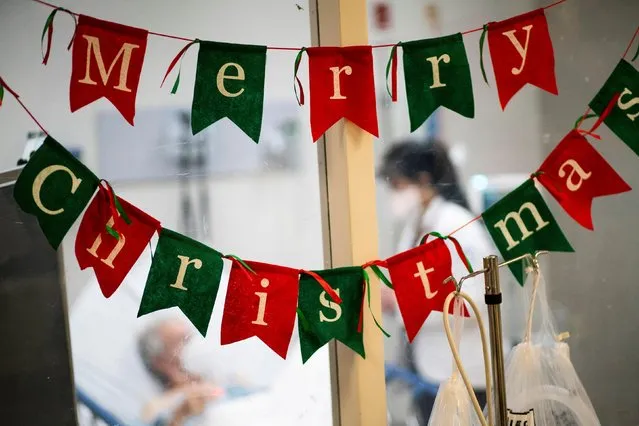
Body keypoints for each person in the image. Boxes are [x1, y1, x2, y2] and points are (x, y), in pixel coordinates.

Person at [378, 138, 506, 423]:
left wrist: (399, 302)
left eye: (398, 186)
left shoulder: (456, 227)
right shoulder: (416, 224)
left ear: (423, 181)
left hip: (466, 374)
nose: (393, 195)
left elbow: (473, 302)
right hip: (431, 371)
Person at [137, 318, 223, 426]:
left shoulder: (232, 384)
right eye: (184, 340)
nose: (197, 345)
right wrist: (179, 417)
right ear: (162, 362)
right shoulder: (159, 408)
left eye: (191, 337)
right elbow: (150, 414)